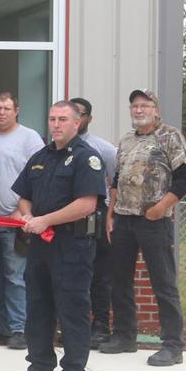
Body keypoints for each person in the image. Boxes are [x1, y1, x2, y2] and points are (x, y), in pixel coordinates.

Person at [8, 101, 106, 371]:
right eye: (52, 118)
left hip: (72, 247)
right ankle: (39, 369)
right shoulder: (40, 157)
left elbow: (87, 204)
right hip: (40, 246)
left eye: (63, 119)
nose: (56, 124)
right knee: (37, 309)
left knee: (72, 312)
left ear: (77, 123)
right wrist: (26, 215)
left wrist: (45, 220)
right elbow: (23, 198)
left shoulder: (86, 158)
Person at [100, 89, 186, 366]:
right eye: (135, 106)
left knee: (162, 283)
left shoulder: (169, 136)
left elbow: (184, 178)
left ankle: (173, 345)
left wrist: (160, 208)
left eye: (145, 105)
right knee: (120, 281)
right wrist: (110, 214)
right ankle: (125, 336)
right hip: (123, 220)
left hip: (153, 221)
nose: (139, 110)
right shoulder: (126, 140)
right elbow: (116, 179)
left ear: (156, 110)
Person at [0, 92, 44, 350]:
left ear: (17, 110)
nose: (1, 112)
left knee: (16, 276)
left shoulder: (30, 138)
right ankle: (1, 325)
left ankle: (19, 328)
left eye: (6, 108)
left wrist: (23, 210)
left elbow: (39, 177)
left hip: (15, 220)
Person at [69, 97, 119, 348]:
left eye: (81, 114)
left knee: (99, 275)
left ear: (88, 118)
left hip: (96, 217)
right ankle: (73, 326)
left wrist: (110, 216)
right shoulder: (57, 148)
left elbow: (115, 184)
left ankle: (100, 326)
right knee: (74, 274)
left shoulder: (104, 149)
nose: (76, 119)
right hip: (67, 218)